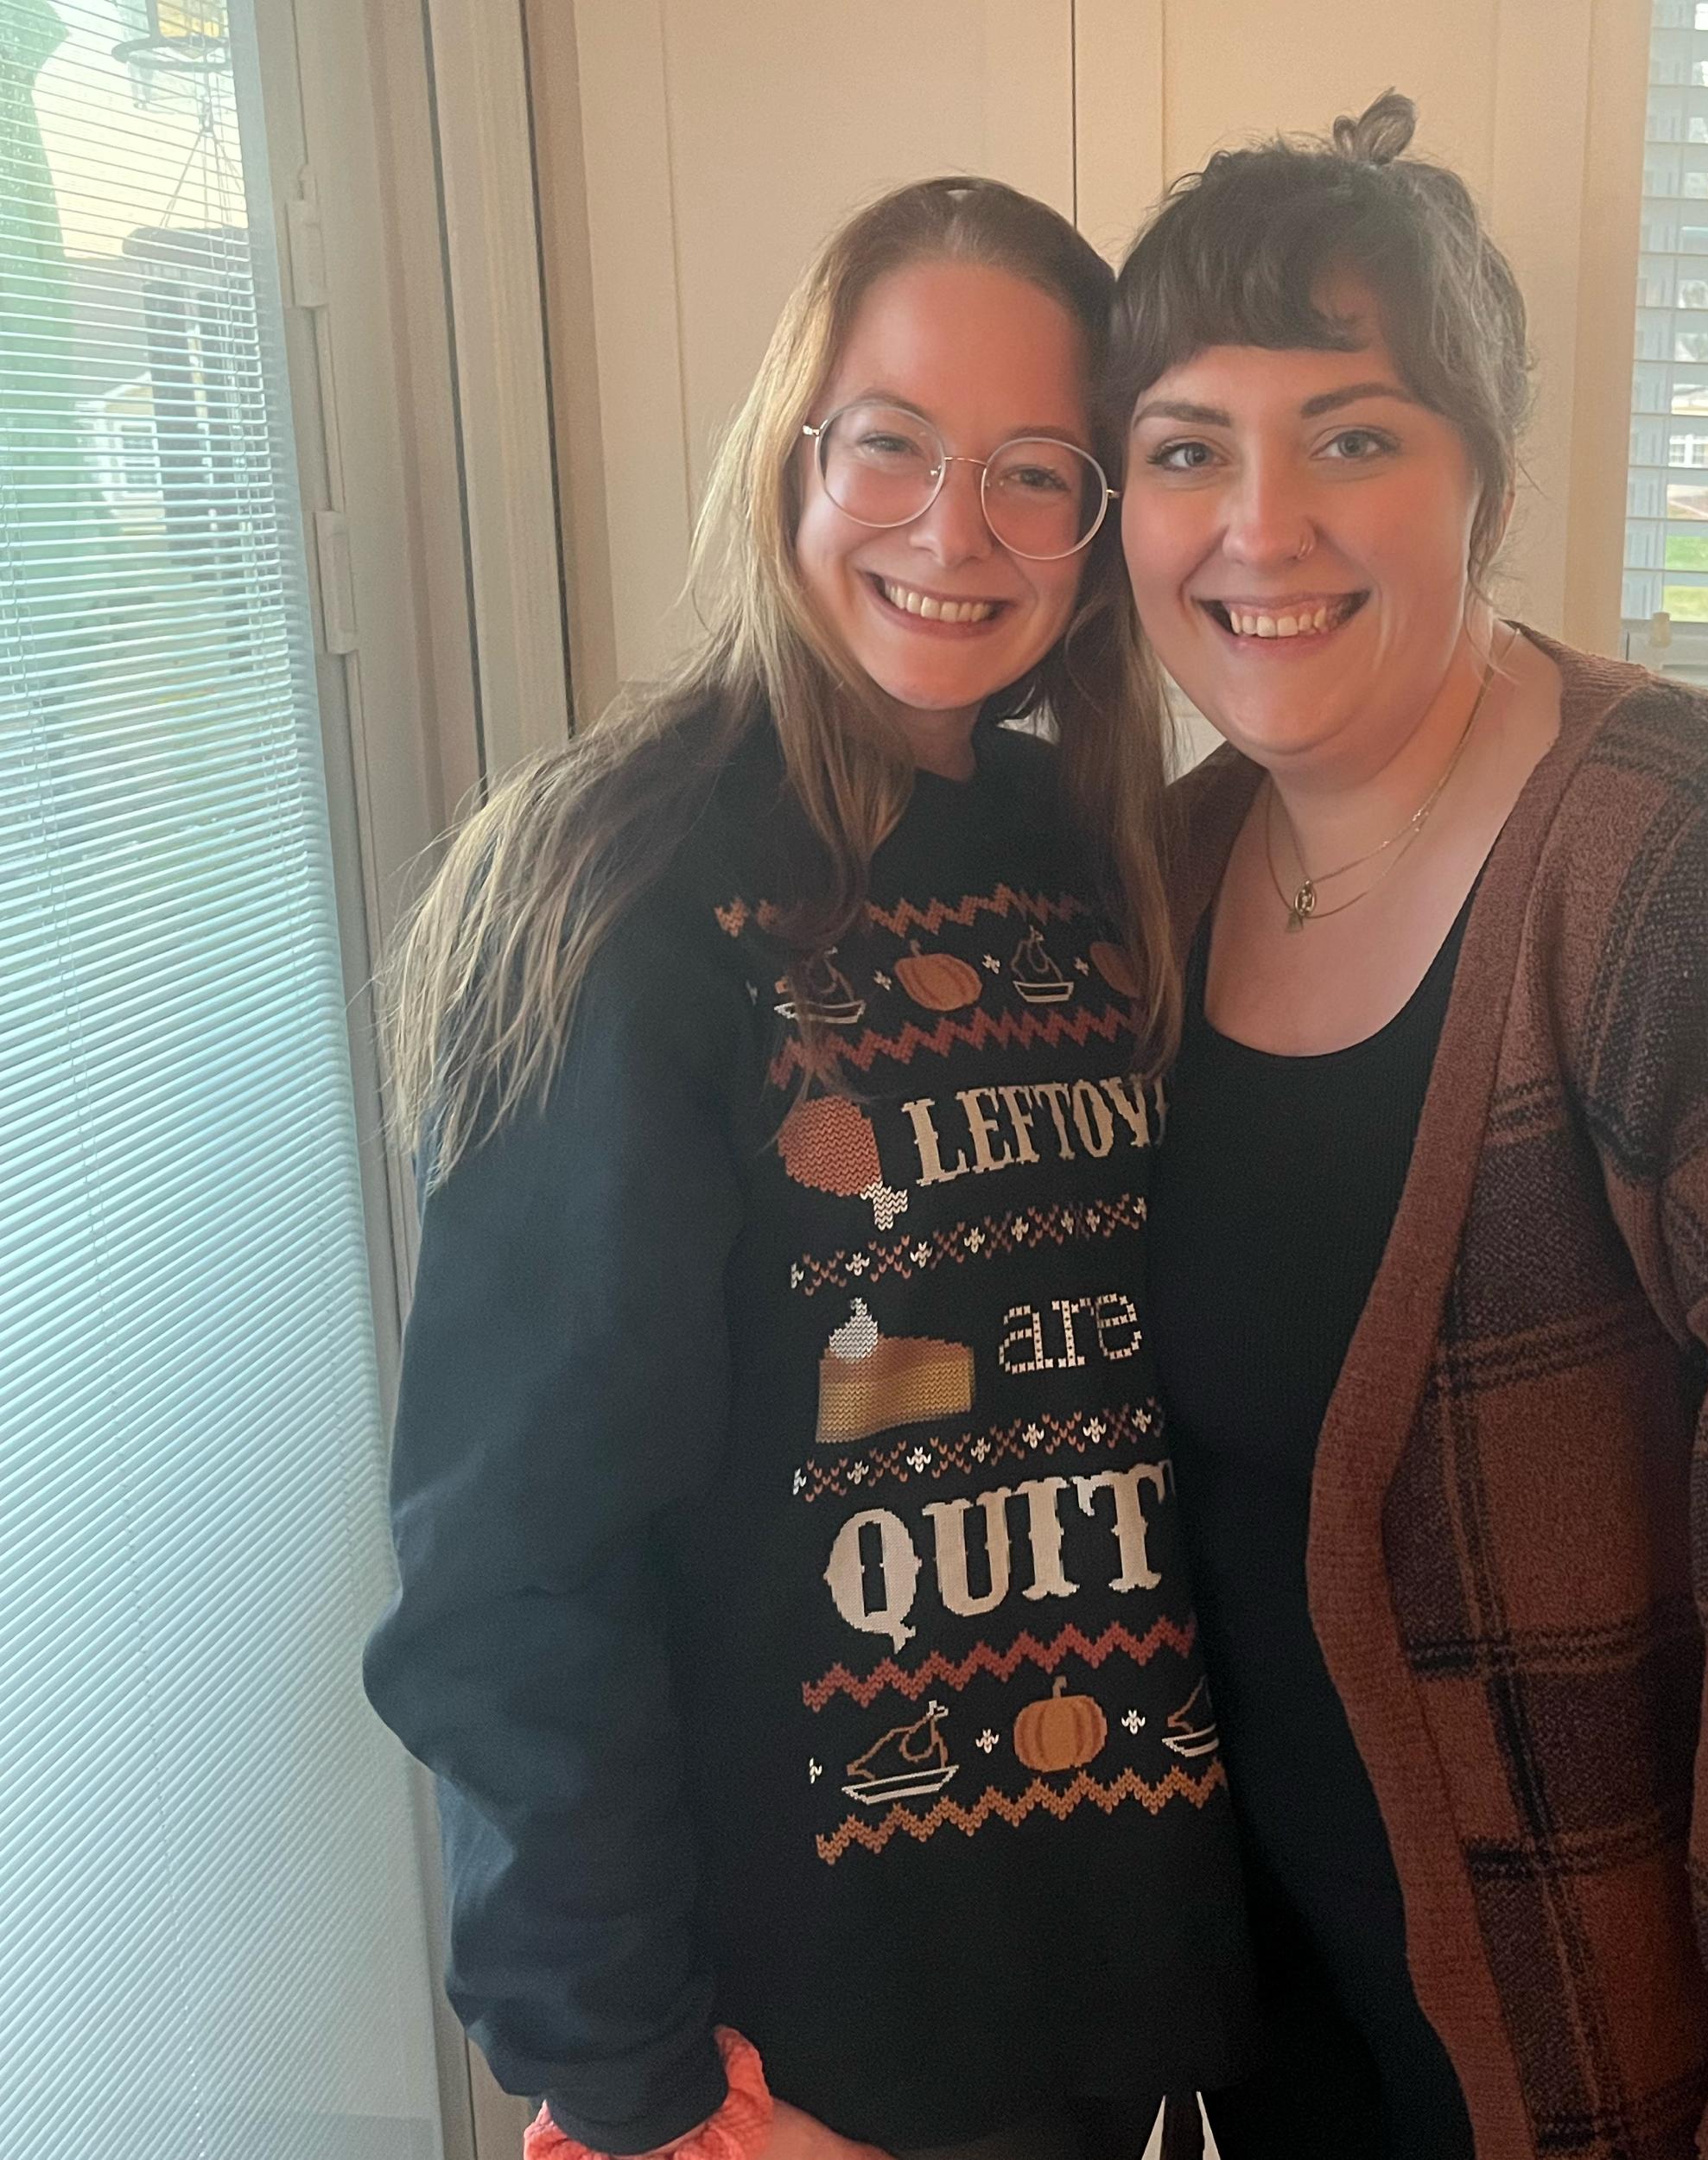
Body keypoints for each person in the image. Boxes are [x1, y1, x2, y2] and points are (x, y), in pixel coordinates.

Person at [1113, 92, 1708, 2160]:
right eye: (1185, 449)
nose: (1258, 525)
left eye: (1351, 437)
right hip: (1282, 2039)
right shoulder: (1164, 881)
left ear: (1480, 470)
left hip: (1635, 2076)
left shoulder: (1696, 855)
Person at [365, 176, 1254, 2160]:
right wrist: (627, 2070)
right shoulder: (616, 882)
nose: (955, 529)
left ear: (1100, 527)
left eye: (1036, 471)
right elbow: (511, 1555)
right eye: (893, 443)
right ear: (793, 452)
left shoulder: (1109, 859)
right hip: (791, 2046)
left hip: (1107, 1976)